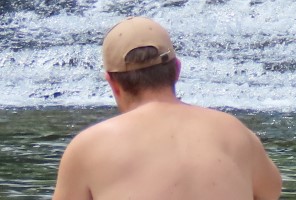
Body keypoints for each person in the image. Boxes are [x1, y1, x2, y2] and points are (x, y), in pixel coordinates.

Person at [50, 17, 282, 200]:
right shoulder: (234, 132)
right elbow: (270, 192)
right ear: (177, 69)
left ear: (112, 83)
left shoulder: (88, 147)